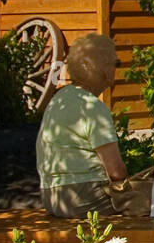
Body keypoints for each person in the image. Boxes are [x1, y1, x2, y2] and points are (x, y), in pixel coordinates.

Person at [36, 34, 128, 217]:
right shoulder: (92, 107)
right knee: (151, 200)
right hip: (84, 197)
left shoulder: (59, 99)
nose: (116, 70)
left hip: (50, 196)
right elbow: (116, 172)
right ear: (103, 69)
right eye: (115, 63)